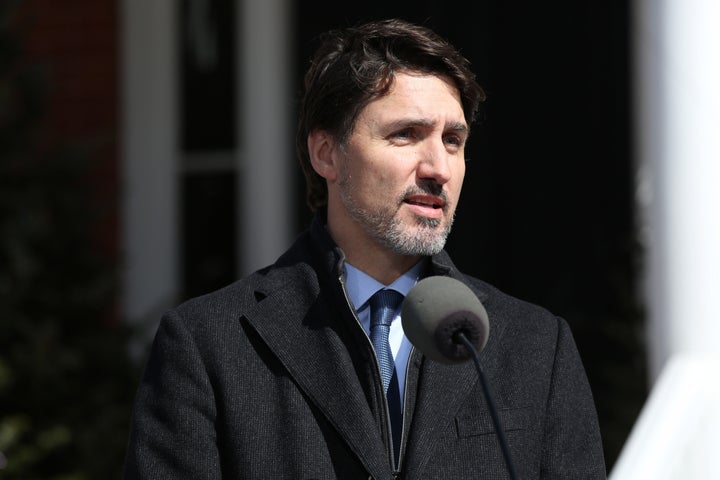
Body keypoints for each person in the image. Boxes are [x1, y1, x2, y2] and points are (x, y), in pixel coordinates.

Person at [123, 18, 606, 479]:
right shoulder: (208, 346)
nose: (438, 166)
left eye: (454, 140)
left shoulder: (536, 347)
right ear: (326, 154)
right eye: (405, 135)